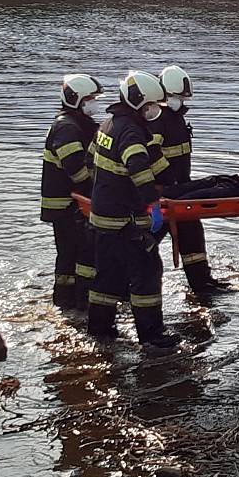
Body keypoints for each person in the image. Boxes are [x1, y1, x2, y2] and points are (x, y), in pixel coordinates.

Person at [87, 71, 179, 348]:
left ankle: (100, 330)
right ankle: (151, 336)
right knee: (147, 273)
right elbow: (138, 169)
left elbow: (93, 158)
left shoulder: (108, 124)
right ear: (140, 103)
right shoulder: (131, 132)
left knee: (107, 275)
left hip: (103, 215)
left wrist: (170, 180)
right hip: (126, 219)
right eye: (152, 105)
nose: (154, 111)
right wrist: (153, 204)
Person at [152, 65, 229, 293]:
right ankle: (121, 286)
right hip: (161, 193)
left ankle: (202, 282)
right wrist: (169, 183)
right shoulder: (157, 120)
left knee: (192, 233)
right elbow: (151, 154)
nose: (179, 101)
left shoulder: (176, 119)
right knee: (146, 240)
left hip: (180, 192)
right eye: (175, 97)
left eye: (182, 97)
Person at [41, 74, 104, 310]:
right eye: (89, 98)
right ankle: (67, 300)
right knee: (70, 254)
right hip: (65, 205)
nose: (93, 103)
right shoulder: (66, 128)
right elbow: (77, 172)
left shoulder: (77, 124)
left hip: (74, 204)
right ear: (75, 99)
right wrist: (101, 190)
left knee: (76, 252)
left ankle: (73, 299)